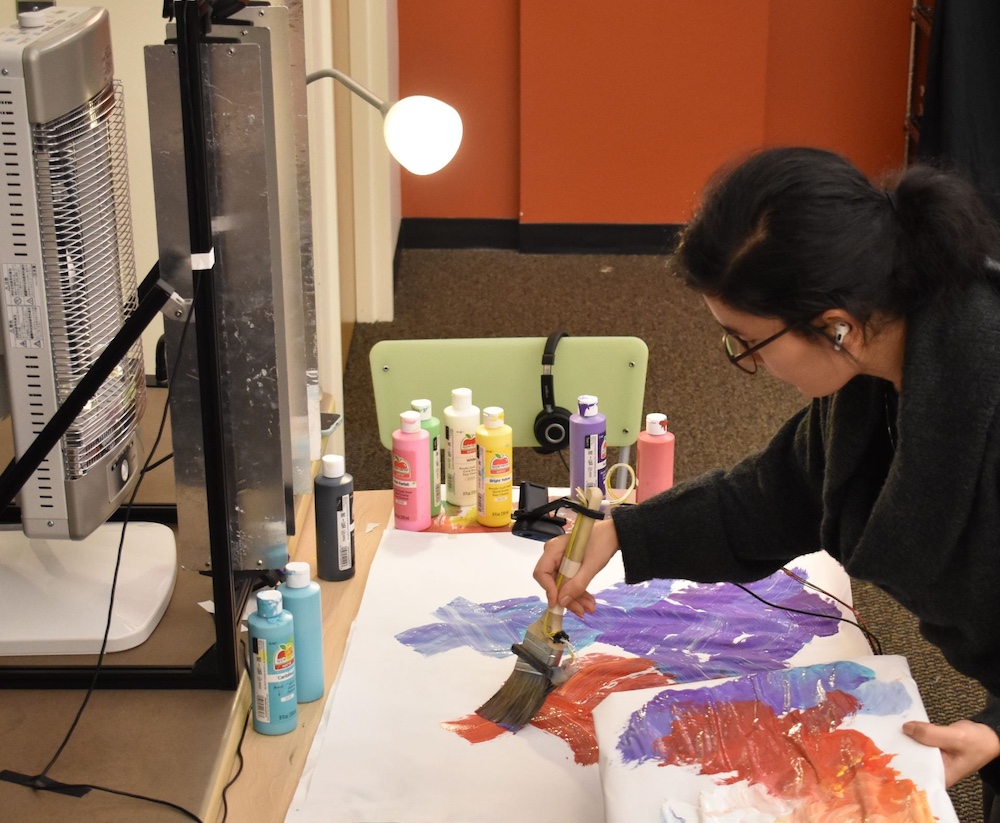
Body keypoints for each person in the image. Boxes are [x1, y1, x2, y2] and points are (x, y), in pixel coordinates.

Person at [533, 147, 1000, 822]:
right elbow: (776, 499)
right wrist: (621, 531)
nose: (741, 361)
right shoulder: (881, 356)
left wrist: (994, 727)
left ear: (835, 323)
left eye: (745, 342)